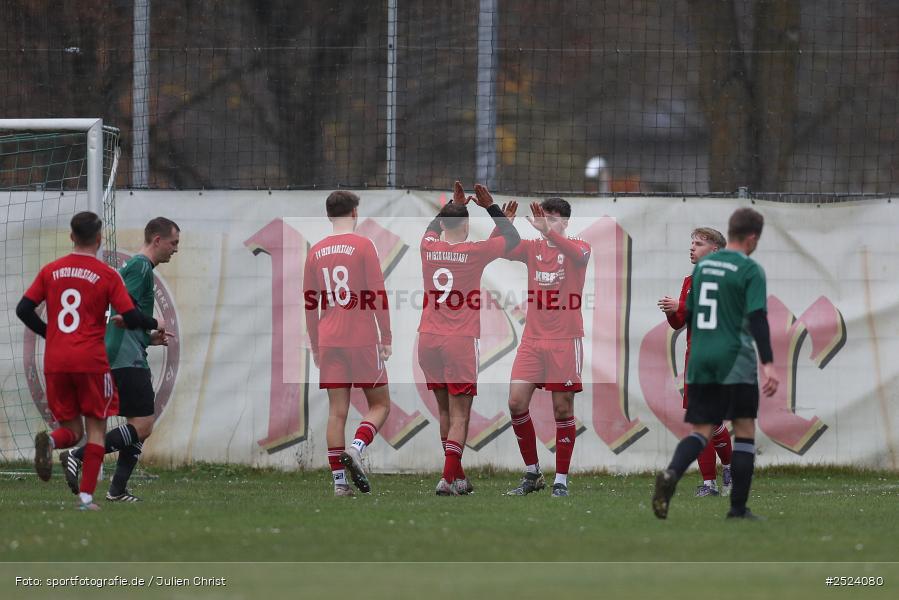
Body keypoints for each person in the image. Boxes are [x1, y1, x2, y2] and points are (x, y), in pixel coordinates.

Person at [16, 211, 159, 510]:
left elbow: (23, 309)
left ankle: (52, 442)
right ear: (98, 239)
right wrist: (151, 322)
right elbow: (131, 315)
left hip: (56, 360)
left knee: (72, 430)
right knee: (94, 430)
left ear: (71, 237)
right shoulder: (106, 274)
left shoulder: (50, 270)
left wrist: (50, 334)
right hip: (91, 360)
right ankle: (85, 499)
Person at [652, 207, 779, 520]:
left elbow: (690, 313)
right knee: (745, 429)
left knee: (701, 431)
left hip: (700, 358)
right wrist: (768, 363)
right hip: (734, 357)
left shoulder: (702, 270)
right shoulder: (750, 270)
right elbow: (758, 319)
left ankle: (671, 473)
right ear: (752, 237)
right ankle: (737, 509)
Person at [60, 217, 180, 502]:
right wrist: (153, 323)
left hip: (127, 351)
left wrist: (146, 337)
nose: (176, 249)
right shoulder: (140, 266)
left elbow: (122, 313)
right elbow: (121, 309)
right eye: (174, 243)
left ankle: (117, 490)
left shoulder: (138, 268)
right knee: (143, 425)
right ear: (157, 240)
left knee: (140, 427)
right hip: (125, 358)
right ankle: (78, 455)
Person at [418, 181, 520, 496]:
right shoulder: (473, 252)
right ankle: (447, 480)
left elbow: (433, 228)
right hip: (459, 341)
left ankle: (458, 478)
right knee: (461, 414)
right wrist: (492, 209)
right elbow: (511, 240)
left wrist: (453, 202)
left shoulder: (427, 246)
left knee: (445, 413)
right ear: (465, 224)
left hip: (428, 340)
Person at [496, 199, 592, 498]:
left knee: (562, 409)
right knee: (515, 403)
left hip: (565, 339)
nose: (546, 223)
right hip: (533, 340)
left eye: (552, 219)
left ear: (565, 222)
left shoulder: (580, 246)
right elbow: (501, 248)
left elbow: (577, 255)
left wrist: (549, 233)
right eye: (543, 218)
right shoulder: (532, 248)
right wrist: (502, 222)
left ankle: (560, 479)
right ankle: (533, 473)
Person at [304, 191, 392, 497]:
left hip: (329, 340)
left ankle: (339, 485)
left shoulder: (315, 251)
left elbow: (310, 304)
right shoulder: (364, 245)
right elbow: (377, 294)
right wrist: (387, 336)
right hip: (361, 337)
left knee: (336, 411)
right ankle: (357, 447)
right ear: (354, 213)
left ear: (329, 216)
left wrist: (315, 345)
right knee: (380, 404)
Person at [657, 227, 734, 497]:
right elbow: (680, 322)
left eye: (699, 244)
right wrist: (672, 312)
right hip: (695, 358)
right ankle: (714, 479)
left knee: (706, 420)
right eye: (692, 243)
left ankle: (715, 478)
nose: (692, 248)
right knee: (704, 421)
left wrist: (680, 305)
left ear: (714, 250)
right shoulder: (689, 281)